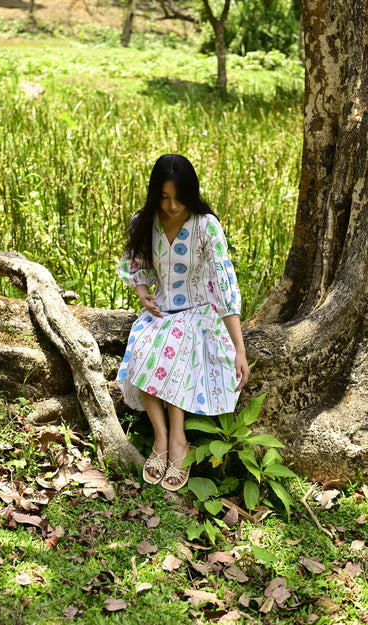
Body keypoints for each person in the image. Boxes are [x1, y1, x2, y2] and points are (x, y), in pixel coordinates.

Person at [116, 154, 250, 491]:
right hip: (161, 309)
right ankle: (162, 439)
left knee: (175, 349)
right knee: (144, 350)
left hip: (200, 311)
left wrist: (239, 349)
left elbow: (224, 285)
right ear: (154, 194)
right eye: (164, 196)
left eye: (178, 196)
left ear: (191, 192)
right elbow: (137, 264)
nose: (172, 205)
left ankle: (178, 440)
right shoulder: (143, 221)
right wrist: (143, 292)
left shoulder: (206, 226)